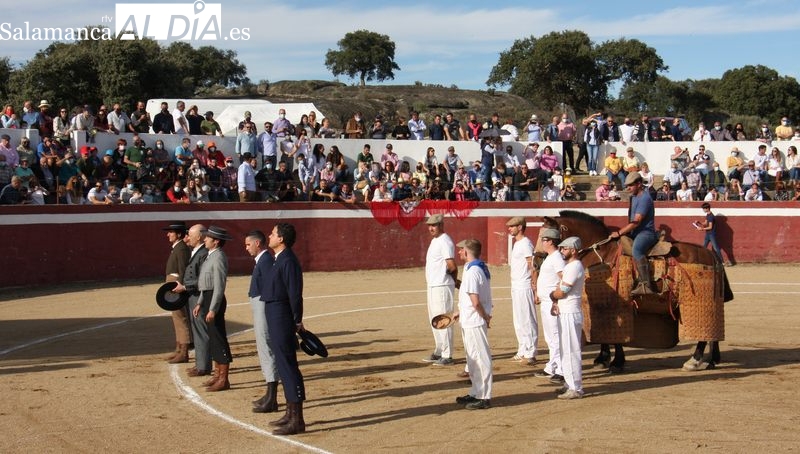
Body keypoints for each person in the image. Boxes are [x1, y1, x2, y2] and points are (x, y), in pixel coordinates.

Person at [262, 223, 307, 435]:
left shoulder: (288, 260)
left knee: (288, 365)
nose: (269, 236)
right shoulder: (281, 259)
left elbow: (294, 293)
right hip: (275, 314)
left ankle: (297, 419)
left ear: (281, 239)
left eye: (272, 234)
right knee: (283, 363)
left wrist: (296, 320)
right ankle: (290, 413)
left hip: (282, 316)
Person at [453, 239, 493, 410]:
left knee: (480, 358)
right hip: (470, 319)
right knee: (472, 358)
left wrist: (485, 317)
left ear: (467, 252)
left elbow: (476, 302)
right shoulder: (475, 268)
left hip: (475, 320)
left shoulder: (472, 272)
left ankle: (484, 396)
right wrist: (460, 312)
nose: (459, 252)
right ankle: (476, 391)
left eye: (461, 250)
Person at [192, 226, 233, 392]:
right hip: (208, 298)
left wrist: (213, 308)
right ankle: (217, 375)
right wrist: (200, 303)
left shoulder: (219, 257)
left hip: (214, 301)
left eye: (208, 237)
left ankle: (224, 379)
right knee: (214, 338)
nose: (205, 239)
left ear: (216, 241)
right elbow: (206, 286)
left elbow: (219, 286)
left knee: (218, 338)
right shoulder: (212, 256)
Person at [245, 230, 280, 413]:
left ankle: (272, 398)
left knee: (266, 347)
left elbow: (270, 288)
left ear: (257, 243)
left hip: (263, 307)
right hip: (260, 306)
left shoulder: (265, 261)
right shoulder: (263, 260)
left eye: (248, 244)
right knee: (264, 348)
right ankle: (269, 395)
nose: (246, 248)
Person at [608, 172, 658, 295]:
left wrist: (619, 232)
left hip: (646, 232)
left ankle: (646, 285)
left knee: (637, 250)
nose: (628, 188)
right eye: (627, 186)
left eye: (630, 185)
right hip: (636, 232)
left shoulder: (645, 198)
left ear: (639, 184)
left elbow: (636, 222)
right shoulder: (634, 197)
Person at [549, 236, 586, 399]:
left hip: (570, 312)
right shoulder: (570, 266)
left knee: (571, 350)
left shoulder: (574, 266)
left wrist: (553, 296)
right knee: (565, 349)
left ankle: (576, 387)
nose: (561, 251)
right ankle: (569, 383)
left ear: (573, 250)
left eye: (564, 248)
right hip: (566, 310)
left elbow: (562, 290)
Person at [173, 225, 211, 378]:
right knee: (197, 330)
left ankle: (203, 366)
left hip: (198, 296)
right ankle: (200, 364)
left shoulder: (202, 253)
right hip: (193, 295)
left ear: (199, 237)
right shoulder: (198, 252)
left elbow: (202, 279)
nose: (187, 237)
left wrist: (185, 286)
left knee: (201, 330)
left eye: (190, 234)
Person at [424, 214, 458, 366]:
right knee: (435, 319)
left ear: (441, 225)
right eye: (429, 225)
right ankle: (439, 350)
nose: (431, 228)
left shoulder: (445, 241)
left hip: (442, 285)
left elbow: (451, 265)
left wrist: (453, 280)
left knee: (443, 319)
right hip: (433, 284)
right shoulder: (435, 240)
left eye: (434, 225)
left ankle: (447, 354)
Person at [534, 228, 566, 385]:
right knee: (550, 336)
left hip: (552, 302)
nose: (541, 242)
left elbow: (563, 278)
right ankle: (552, 366)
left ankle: (561, 369)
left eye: (544, 239)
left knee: (555, 336)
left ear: (551, 241)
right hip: (547, 301)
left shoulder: (557, 258)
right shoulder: (551, 257)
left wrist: (557, 299)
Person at [506, 217, 538, 365]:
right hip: (516, 285)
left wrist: (534, 284)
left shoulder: (526, 244)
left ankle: (530, 352)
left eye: (512, 226)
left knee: (527, 319)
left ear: (520, 227)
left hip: (524, 284)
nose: (509, 229)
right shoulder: (518, 243)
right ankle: (522, 349)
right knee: (518, 320)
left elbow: (531, 265)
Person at [161, 222, 192, 364]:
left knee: (181, 317)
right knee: (176, 317)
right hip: (172, 283)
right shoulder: (178, 248)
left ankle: (184, 351)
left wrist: (180, 284)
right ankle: (179, 348)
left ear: (179, 234)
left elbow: (183, 269)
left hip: (176, 284)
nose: (168, 234)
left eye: (171, 232)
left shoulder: (181, 249)